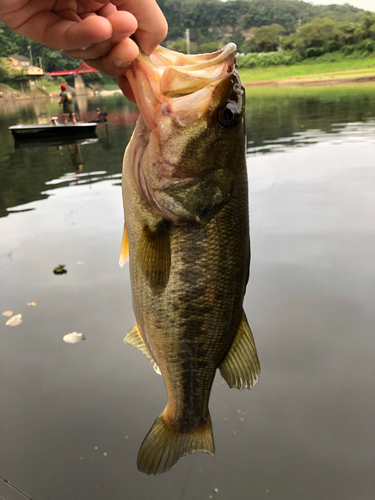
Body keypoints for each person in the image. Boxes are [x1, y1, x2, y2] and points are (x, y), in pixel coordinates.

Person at [0, 1, 167, 102]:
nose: (63, 90)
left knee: (106, 33)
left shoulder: (65, 96)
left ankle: (70, 122)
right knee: (104, 32)